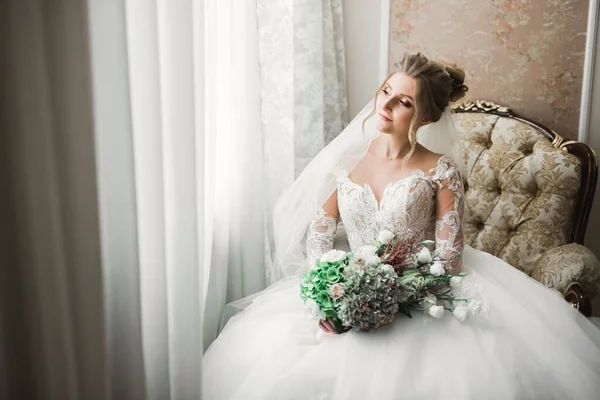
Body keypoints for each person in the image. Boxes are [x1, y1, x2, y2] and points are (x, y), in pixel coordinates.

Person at [201, 53, 600, 399]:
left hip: (423, 294)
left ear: (424, 116)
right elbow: (320, 235)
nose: (386, 104)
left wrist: (393, 296)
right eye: (386, 91)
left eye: (403, 101)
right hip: (346, 287)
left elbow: (449, 256)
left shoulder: (440, 170)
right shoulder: (346, 160)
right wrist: (329, 292)